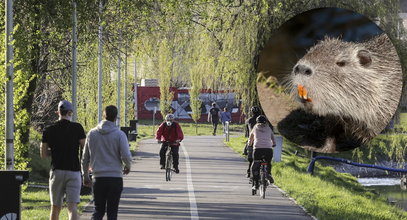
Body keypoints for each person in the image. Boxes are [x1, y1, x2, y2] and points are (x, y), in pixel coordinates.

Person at [81, 105, 132, 220]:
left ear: (103, 116)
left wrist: (85, 176)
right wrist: (128, 166)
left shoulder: (92, 134)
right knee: (112, 212)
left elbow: (85, 158)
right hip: (115, 177)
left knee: (98, 210)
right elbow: (126, 155)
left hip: (98, 177)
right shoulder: (119, 135)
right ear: (115, 118)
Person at [41, 100, 86, 220]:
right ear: (70, 112)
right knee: (72, 208)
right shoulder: (77, 128)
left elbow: (44, 154)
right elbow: (85, 149)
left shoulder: (48, 129)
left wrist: (56, 151)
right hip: (73, 171)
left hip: (57, 171)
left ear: (58, 113)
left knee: (55, 208)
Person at [248, 115, 276, 189]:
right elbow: (273, 138)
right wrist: (274, 144)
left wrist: (249, 145)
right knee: (268, 162)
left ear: (257, 122)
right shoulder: (268, 128)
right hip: (268, 150)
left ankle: (256, 184)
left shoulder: (255, 128)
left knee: (255, 166)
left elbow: (251, 138)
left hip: (257, 149)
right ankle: (268, 174)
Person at [243, 106, 261, 178]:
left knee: (251, 159)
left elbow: (247, 133)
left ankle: (249, 172)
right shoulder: (262, 120)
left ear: (252, 112)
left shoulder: (248, 121)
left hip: (252, 141)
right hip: (261, 141)